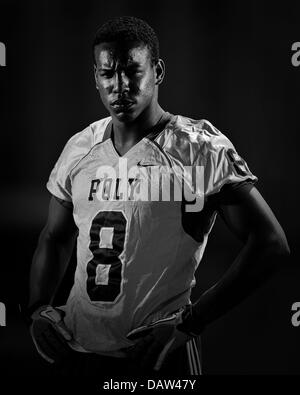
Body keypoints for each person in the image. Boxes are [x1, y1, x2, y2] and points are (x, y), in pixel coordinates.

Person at [26, 16, 290, 376]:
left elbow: (271, 243)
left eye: (132, 71)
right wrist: (39, 308)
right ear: (96, 78)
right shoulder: (80, 147)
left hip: (160, 357)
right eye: (108, 74)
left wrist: (190, 322)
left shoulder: (197, 149)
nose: (119, 86)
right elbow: (54, 237)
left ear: (158, 71)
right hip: (80, 350)